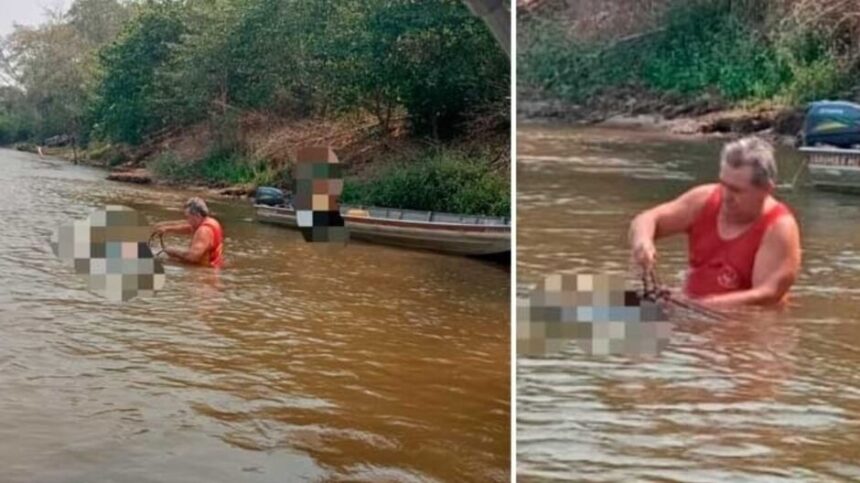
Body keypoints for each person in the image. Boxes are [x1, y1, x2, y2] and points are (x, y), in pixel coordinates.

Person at [628, 136, 801, 307]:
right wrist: (643, 241)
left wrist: (697, 306)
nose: (725, 196)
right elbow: (647, 219)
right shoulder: (703, 200)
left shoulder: (778, 227)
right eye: (723, 184)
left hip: (735, 323)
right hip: (691, 309)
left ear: (766, 190)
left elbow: (767, 295)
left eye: (736, 190)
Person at [153, 197, 224, 268]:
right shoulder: (211, 222)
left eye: (188, 217)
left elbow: (192, 257)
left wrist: (173, 252)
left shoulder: (203, 231)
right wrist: (167, 228)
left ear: (197, 215)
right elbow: (189, 228)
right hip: (214, 267)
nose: (187, 221)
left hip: (204, 272)